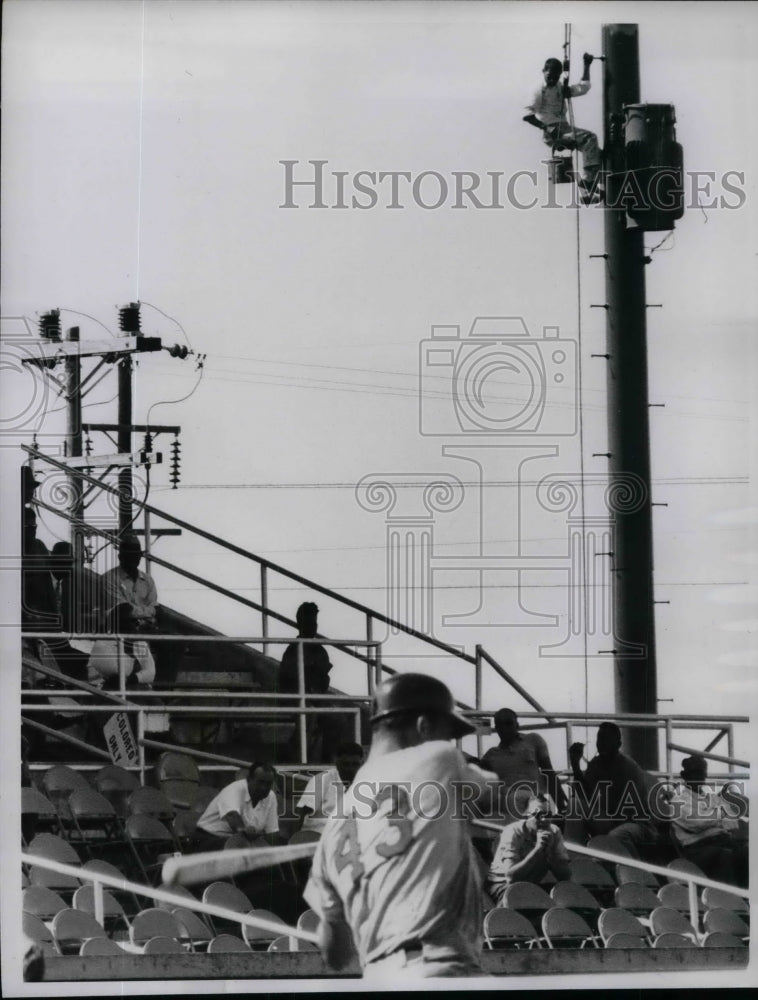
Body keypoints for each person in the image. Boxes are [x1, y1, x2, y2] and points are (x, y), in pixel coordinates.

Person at [304, 672, 498, 980]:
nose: (449, 742)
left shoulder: (334, 824)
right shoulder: (439, 757)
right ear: (423, 726)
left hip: (380, 978)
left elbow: (336, 955)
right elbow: (490, 791)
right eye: (445, 733)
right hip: (440, 965)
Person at [569, 722, 659, 858]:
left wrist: (599, 822)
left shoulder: (628, 767)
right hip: (612, 819)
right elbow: (584, 796)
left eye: (607, 739)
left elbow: (634, 811)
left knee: (615, 836)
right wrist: (575, 764)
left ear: (618, 744)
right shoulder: (596, 764)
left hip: (637, 824)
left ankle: (637, 870)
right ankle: (573, 856)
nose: (602, 744)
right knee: (575, 804)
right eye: (600, 739)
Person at [524, 54, 601, 194]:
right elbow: (526, 115)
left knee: (596, 153)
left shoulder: (560, 87)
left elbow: (583, 88)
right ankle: (588, 181)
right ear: (543, 71)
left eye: (556, 77)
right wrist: (547, 127)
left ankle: (591, 188)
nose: (552, 80)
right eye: (549, 76)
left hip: (563, 127)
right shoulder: (537, 89)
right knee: (590, 138)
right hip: (553, 131)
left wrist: (587, 65)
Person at [668, 755, 748, 887]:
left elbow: (733, 821)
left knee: (746, 853)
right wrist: (720, 815)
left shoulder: (712, 798)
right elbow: (698, 823)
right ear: (685, 775)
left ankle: (749, 901)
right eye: (696, 773)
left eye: (702, 773)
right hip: (696, 849)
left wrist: (711, 817)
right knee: (724, 856)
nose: (700, 778)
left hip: (723, 842)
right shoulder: (678, 801)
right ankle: (728, 902)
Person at [279, 602, 345, 762]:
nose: (312, 627)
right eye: (308, 623)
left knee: (337, 717)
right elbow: (286, 679)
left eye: (314, 623)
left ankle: (328, 761)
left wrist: (316, 686)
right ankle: (299, 761)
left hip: (315, 698)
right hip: (294, 699)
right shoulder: (292, 650)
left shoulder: (320, 650)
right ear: (299, 624)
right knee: (309, 714)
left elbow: (323, 681)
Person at [481, 707, 567, 821]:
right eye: (500, 724)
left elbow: (549, 773)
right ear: (496, 728)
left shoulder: (533, 740)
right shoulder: (491, 755)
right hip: (508, 803)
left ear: (517, 725)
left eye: (508, 723)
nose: (505, 728)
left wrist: (563, 808)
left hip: (535, 799)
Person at [487, 794, 571, 901]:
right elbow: (511, 877)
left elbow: (566, 876)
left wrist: (551, 855)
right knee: (521, 896)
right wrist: (537, 850)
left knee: (565, 892)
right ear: (526, 816)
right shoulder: (513, 831)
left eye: (548, 814)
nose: (544, 819)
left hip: (530, 885)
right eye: (538, 815)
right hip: (501, 884)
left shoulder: (554, 832)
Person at [193, 763, 283, 852]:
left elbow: (272, 832)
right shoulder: (234, 789)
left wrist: (277, 855)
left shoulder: (271, 796)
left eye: (268, 784)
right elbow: (234, 820)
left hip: (241, 841)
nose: (264, 788)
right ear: (249, 780)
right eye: (260, 782)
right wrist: (247, 831)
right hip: (210, 838)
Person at [296, 742, 364, 834]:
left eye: (355, 764)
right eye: (346, 764)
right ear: (337, 763)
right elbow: (301, 812)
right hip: (317, 835)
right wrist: (294, 842)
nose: (350, 769)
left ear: (362, 763)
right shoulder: (322, 780)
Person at [102, 534, 158, 632]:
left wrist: (148, 614)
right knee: (124, 617)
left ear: (140, 557)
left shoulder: (148, 580)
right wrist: (149, 612)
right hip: (117, 629)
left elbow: (155, 607)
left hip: (144, 626)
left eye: (136, 555)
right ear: (120, 557)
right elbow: (123, 611)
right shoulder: (108, 578)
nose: (133, 558)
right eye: (129, 555)